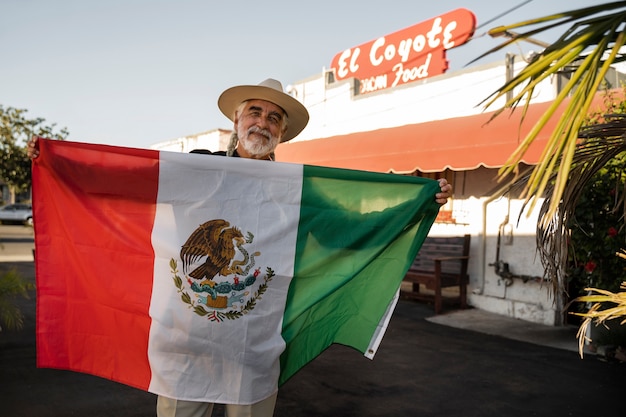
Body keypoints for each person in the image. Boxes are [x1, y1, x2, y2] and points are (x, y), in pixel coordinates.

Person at [27, 78, 452, 417]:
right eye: (255, 111)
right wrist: (59, 162)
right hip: (186, 342)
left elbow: (349, 227)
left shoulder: (297, 191)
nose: (262, 123)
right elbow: (127, 182)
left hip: (253, 347)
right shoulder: (196, 167)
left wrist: (418, 204)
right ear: (236, 118)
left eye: (274, 118)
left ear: (281, 132)